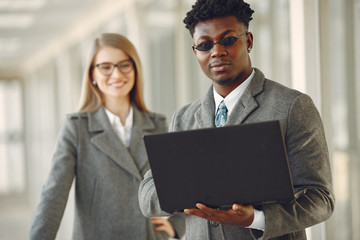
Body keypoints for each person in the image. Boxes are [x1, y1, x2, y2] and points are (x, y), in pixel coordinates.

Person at [138, 0, 335, 239]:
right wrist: (188, 188)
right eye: (204, 44)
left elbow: (320, 198)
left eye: (228, 40)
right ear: (195, 52)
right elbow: (147, 194)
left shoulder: (292, 106)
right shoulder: (184, 118)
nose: (217, 51)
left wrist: (257, 218)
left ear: (248, 41)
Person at [29, 33, 185, 240]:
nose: (116, 74)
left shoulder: (157, 124)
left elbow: (179, 184)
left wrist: (177, 225)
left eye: (124, 65)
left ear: (135, 69)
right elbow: (53, 194)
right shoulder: (77, 128)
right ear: (92, 73)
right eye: (105, 67)